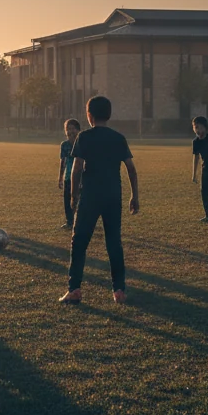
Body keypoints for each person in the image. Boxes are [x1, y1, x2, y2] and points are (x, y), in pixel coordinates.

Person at [60, 95, 139, 305]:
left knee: (79, 243)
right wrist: (134, 195)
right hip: (113, 196)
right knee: (114, 243)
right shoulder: (118, 137)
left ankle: (74, 289)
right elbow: (131, 168)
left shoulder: (84, 137)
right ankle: (119, 291)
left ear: (89, 116)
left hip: (90, 196)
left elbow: (76, 168)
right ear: (109, 115)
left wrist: (73, 195)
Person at [57, 118, 81, 229]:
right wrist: (60, 177)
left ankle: (81, 221)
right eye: (68, 129)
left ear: (78, 130)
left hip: (81, 177)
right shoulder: (64, 145)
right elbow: (63, 162)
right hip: (68, 177)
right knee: (67, 200)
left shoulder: (82, 143)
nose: (70, 131)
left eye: (73, 129)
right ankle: (70, 222)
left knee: (80, 200)